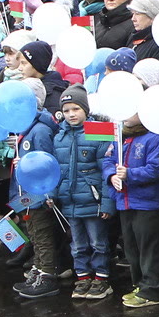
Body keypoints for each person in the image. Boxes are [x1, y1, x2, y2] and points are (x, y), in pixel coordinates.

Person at [50, 87, 111, 300]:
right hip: (70, 200)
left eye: (76, 108)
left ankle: (102, 278)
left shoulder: (98, 133)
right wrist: (53, 193)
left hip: (92, 200)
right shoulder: (59, 137)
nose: (71, 114)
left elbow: (106, 171)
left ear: (85, 109)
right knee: (77, 244)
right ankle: (83, 277)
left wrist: (106, 203)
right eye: (66, 110)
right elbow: (56, 170)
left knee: (98, 242)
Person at [109, 110, 159, 308]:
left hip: (148, 203)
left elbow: (156, 169)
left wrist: (130, 174)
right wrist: (111, 175)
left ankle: (153, 289)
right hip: (125, 201)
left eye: (132, 110)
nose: (125, 114)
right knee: (132, 248)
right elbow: (108, 161)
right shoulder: (121, 137)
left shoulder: (154, 138)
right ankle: (140, 284)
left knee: (149, 248)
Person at [7, 81, 62, 300]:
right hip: (27, 194)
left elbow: (48, 163)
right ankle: (38, 270)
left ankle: (47, 275)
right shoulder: (25, 129)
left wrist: (49, 194)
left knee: (42, 234)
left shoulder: (39, 131)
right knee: (34, 232)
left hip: (39, 193)